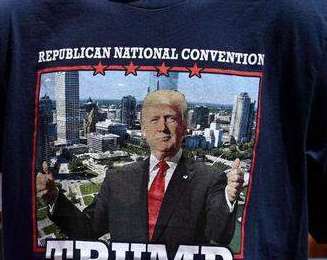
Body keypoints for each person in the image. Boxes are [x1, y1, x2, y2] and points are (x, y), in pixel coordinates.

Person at [38, 89, 244, 250]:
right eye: (154, 119)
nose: (162, 127)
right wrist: (55, 198)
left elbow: (220, 236)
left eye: (171, 118)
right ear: (143, 128)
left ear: (184, 127)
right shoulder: (117, 178)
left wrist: (229, 197)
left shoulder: (209, 178)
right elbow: (87, 230)